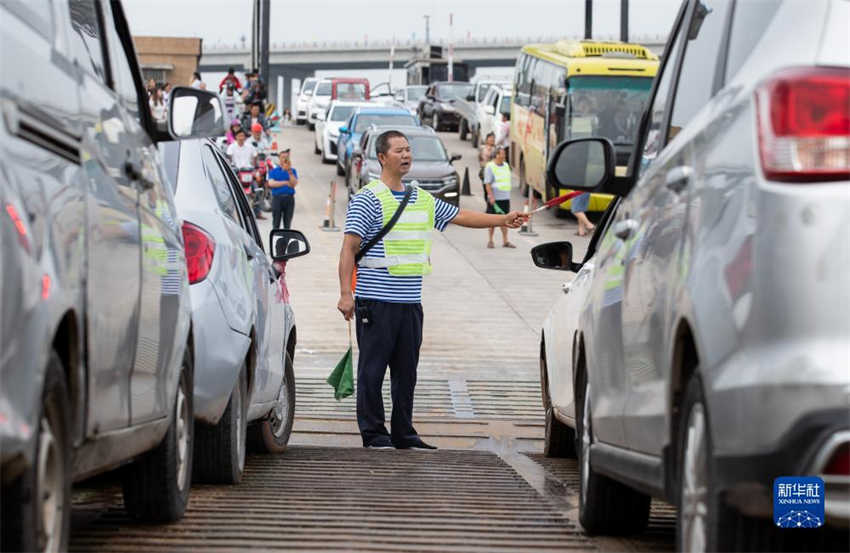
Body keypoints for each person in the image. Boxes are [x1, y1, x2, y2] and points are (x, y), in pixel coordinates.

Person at [337, 130, 528, 450]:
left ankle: (404, 433)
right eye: (399, 150)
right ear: (382, 157)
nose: (406, 155)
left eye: (408, 150)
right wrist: (346, 294)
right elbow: (348, 248)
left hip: (410, 303)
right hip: (375, 301)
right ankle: (374, 434)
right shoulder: (367, 198)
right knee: (372, 370)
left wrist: (502, 219)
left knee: (406, 372)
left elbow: (461, 215)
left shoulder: (419, 198)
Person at [483, 146, 515, 248]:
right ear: (497, 155)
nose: (504, 155)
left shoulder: (506, 165)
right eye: (502, 153)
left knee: (505, 220)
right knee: (492, 220)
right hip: (495, 199)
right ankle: (490, 240)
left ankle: (505, 241)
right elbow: (487, 183)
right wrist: (491, 196)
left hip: (505, 198)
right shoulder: (490, 166)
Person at [267, 151, 298, 229]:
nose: (285, 159)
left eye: (286, 157)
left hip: (289, 198)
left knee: (287, 223)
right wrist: (286, 182)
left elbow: (294, 183)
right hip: (277, 199)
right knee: (276, 223)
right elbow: (271, 183)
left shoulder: (292, 171)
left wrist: (289, 172)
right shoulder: (273, 171)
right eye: (283, 157)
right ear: (279, 159)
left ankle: (286, 236)